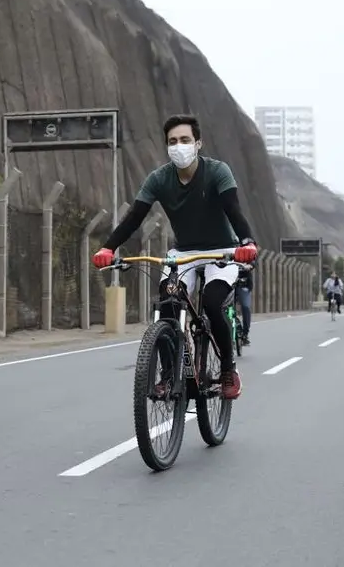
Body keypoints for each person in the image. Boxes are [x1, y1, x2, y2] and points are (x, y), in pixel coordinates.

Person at [91, 114, 258, 400]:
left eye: (184, 140)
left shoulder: (218, 171)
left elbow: (234, 210)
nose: (178, 146)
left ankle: (229, 369)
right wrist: (109, 248)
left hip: (223, 251)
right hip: (184, 253)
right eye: (172, 141)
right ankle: (170, 375)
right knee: (168, 302)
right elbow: (134, 218)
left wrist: (247, 242)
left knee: (215, 303)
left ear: (198, 143)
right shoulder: (159, 179)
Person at [236, 261, 254, 345]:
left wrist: (250, 265)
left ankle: (245, 334)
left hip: (242, 283)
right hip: (225, 281)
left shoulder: (245, 248)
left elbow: (252, 260)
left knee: (245, 306)